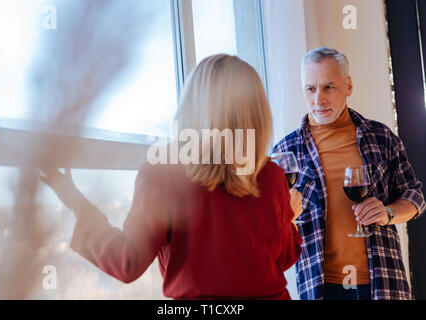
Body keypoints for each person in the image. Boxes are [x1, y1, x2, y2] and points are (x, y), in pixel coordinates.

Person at [41, 54, 303, 299]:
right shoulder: (271, 175)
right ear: (257, 114)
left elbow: (127, 262)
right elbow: (282, 258)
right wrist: (290, 220)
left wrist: (76, 202)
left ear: (193, 105)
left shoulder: (164, 173)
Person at [273, 46, 426, 300]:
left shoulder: (381, 137)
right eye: (310, 88)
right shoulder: (286, 152)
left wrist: (388, 213)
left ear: (349, 86)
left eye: (328, 87)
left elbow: (415, 197)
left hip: (384, 282)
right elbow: (270, 225)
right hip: (321, 286)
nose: (318, 99)